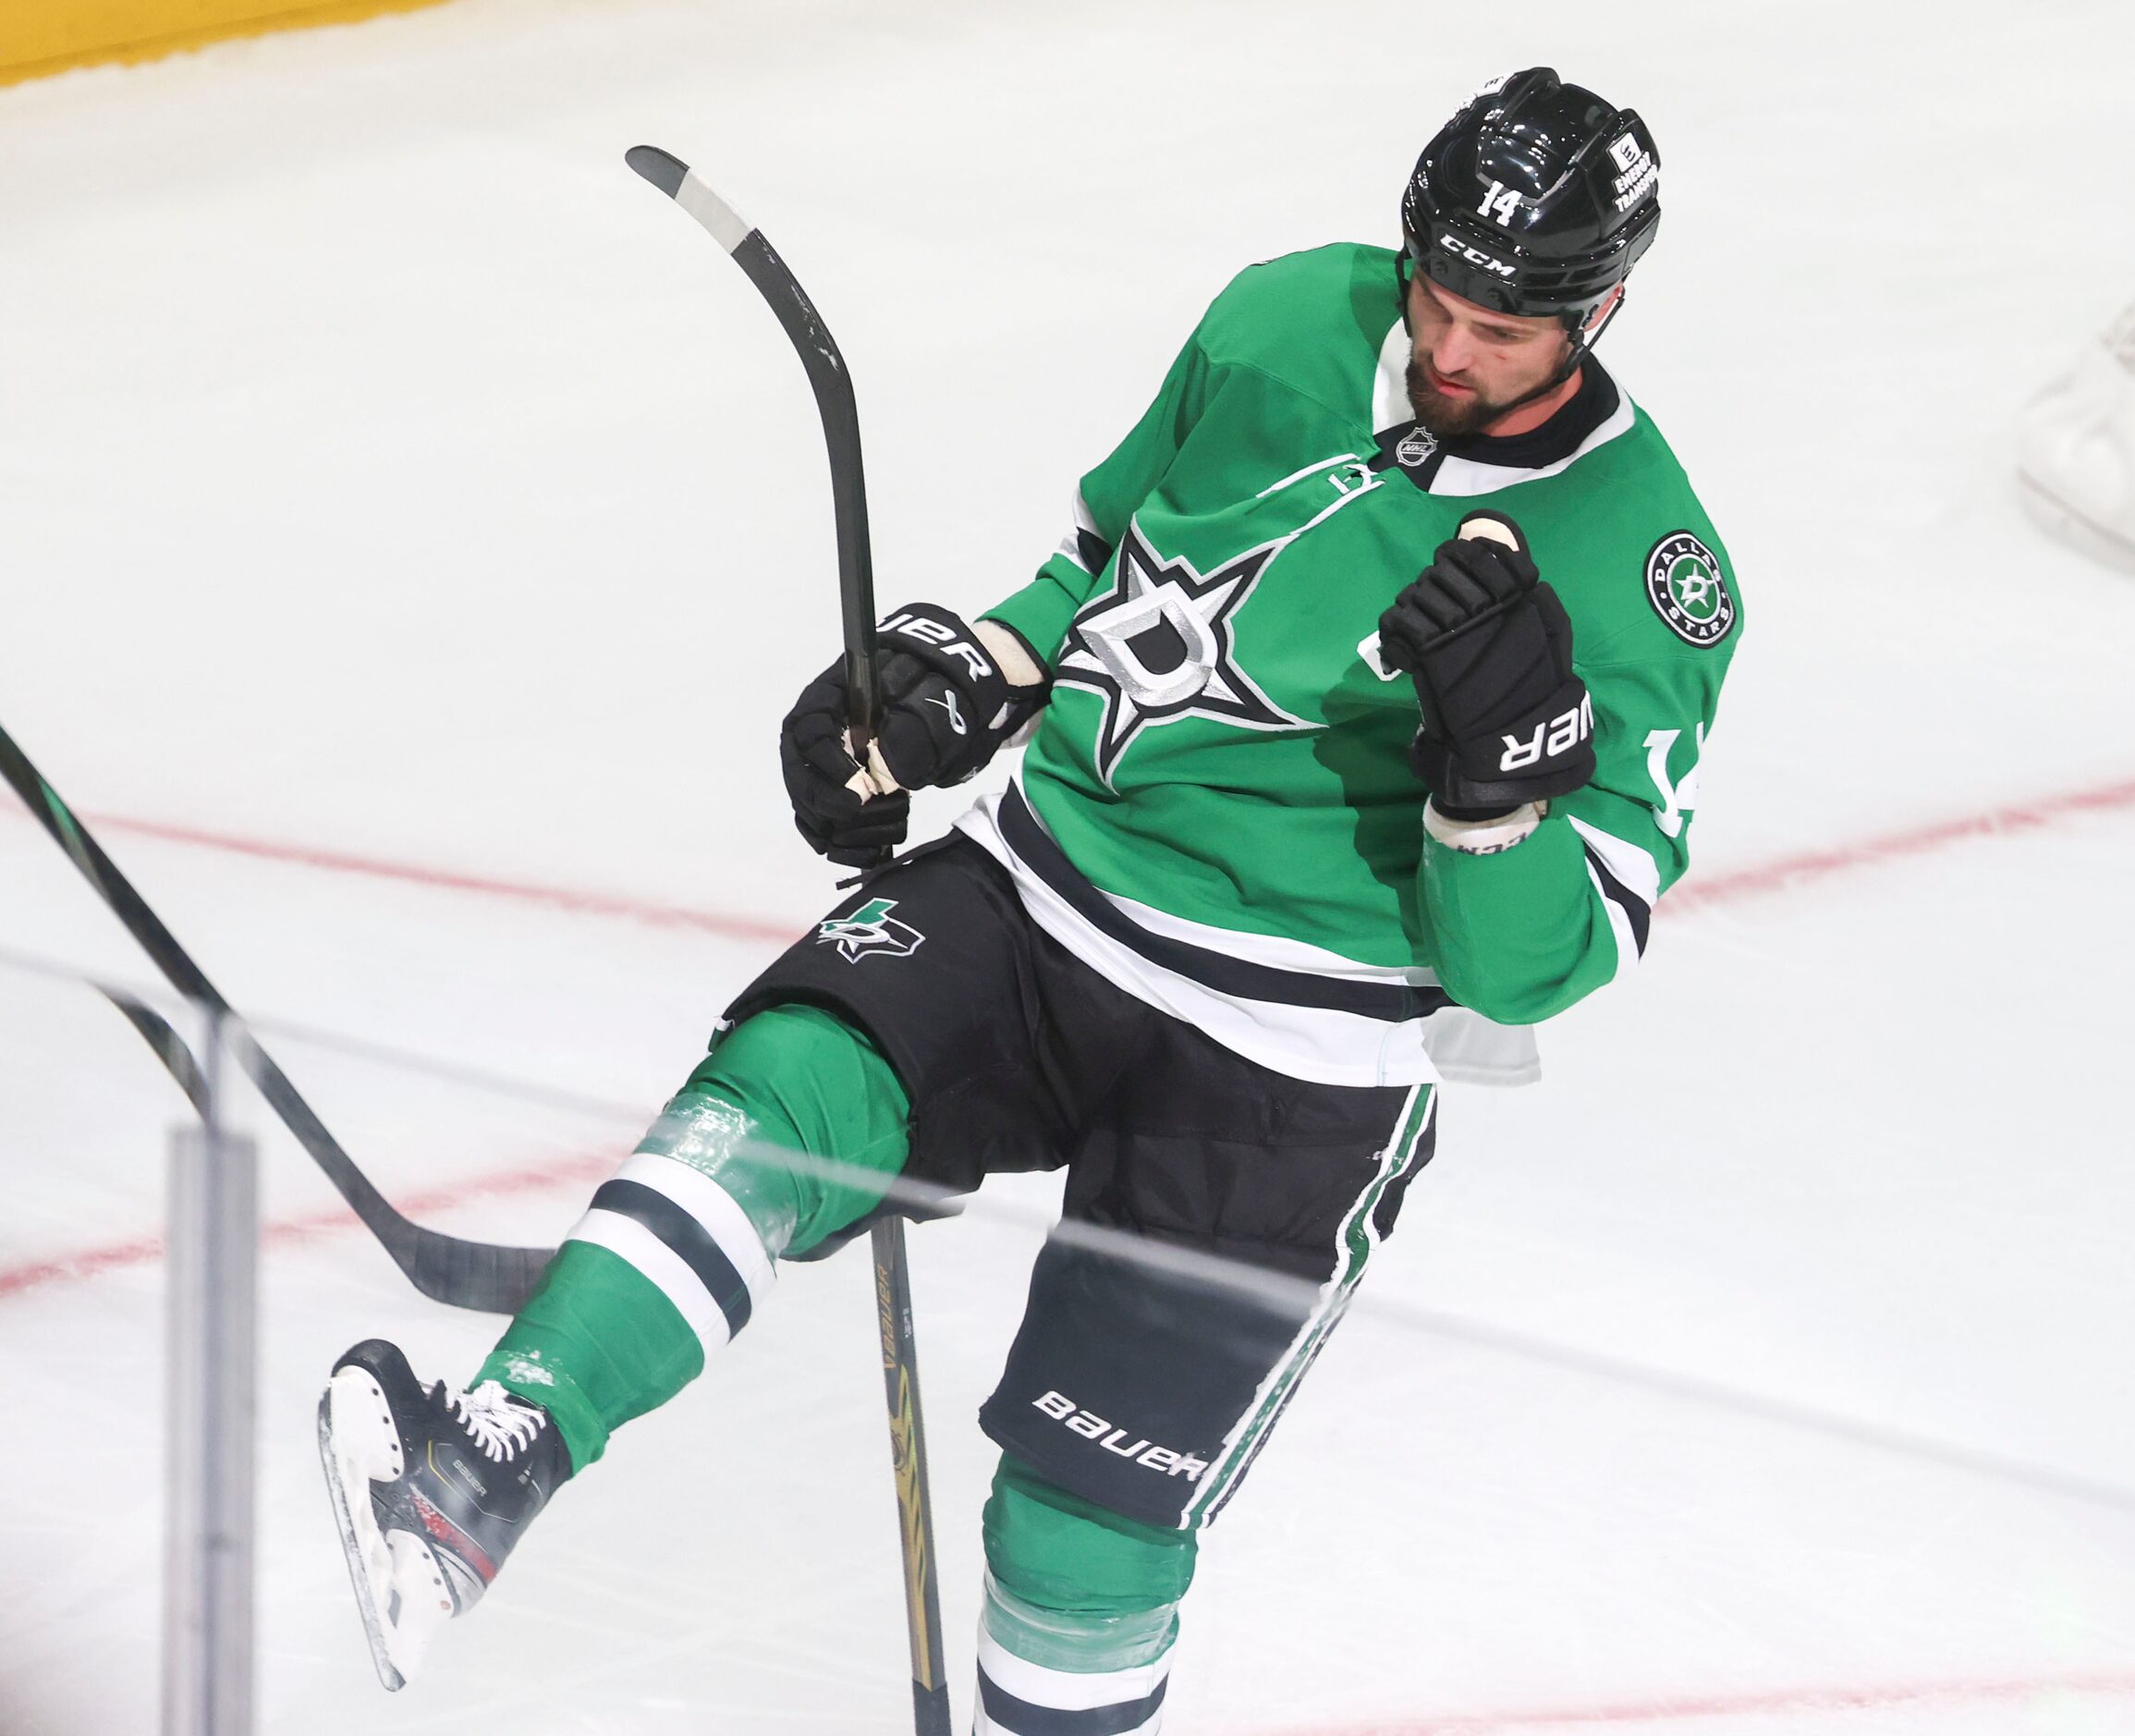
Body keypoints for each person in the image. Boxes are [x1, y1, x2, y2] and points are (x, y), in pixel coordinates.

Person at [320, 67, 1740, 1731]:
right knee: (780, 1086)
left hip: (1295, 1058)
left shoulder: (1651, 564)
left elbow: (1533, 974)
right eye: (1433, 296)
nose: (1447, 349)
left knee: (1081, 1523)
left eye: (1502, 330)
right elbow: (1104, 565)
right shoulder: (1285, 314)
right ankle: (475, 1478)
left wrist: (1490, 794)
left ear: (1604, 305)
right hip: (1044, 890)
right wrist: (964, 673)